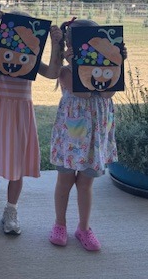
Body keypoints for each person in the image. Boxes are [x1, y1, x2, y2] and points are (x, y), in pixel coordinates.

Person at [0, 10, 63, 240]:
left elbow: (53, 72)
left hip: (20, 115)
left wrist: (55, 43)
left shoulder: (30, 57)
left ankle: (11, 211)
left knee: (17, 168)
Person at [48, 18, 125, 251]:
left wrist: (117, 63)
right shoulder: (65, 72)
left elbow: (107, 94)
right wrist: (75, 63)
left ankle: (84, 228)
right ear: (70, 47)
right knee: (65, 181)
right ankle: (59, 224)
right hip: (72, 136)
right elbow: (83, 93)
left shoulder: (106, 70)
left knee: (85, 183)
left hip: (95, 135)